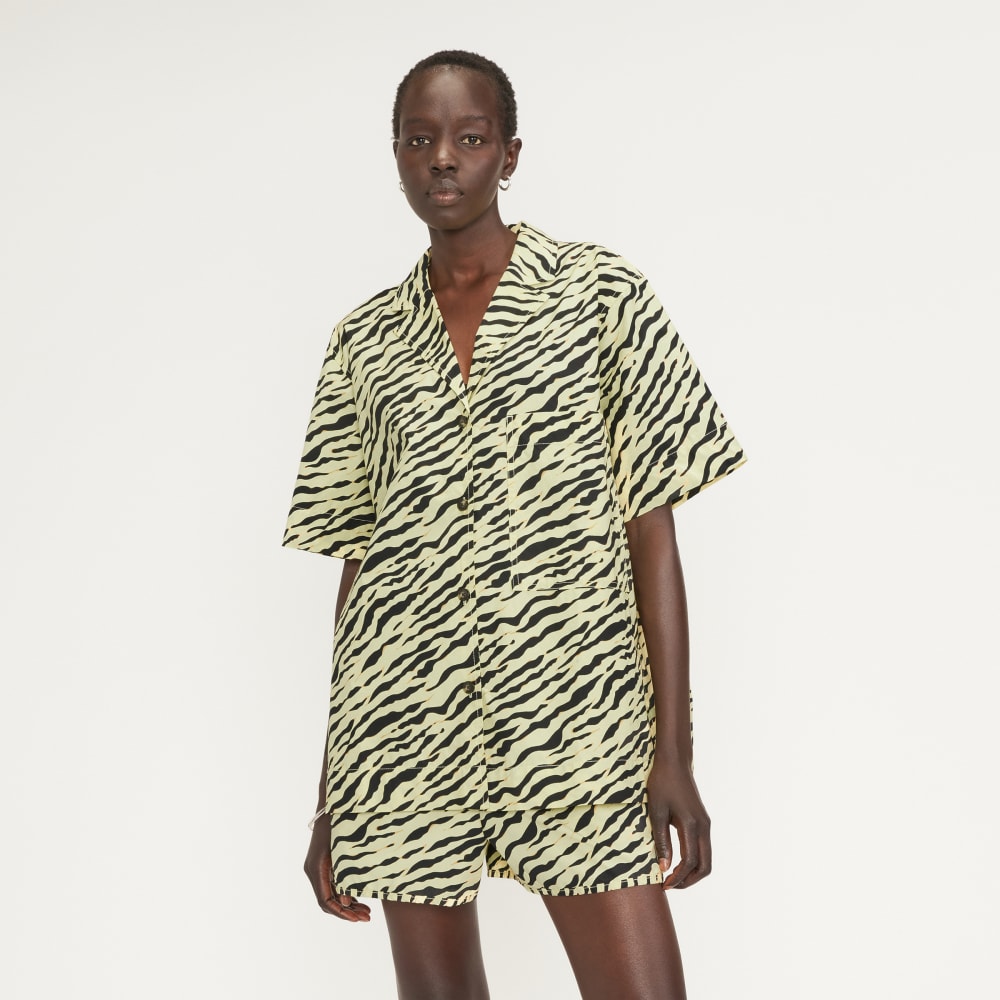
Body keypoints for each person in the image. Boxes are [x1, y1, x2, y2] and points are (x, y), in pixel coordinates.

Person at [283, 49, 746, 1000]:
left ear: (511, 153)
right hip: (403, 728)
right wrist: (334, 793)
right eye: (419, 140)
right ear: (396, 157)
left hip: (576, 717)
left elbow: (652, 531)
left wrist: (673, 753)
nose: (442, 159)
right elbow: (358, 570)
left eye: (469, 137)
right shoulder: (362, 343)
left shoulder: (600, 296)